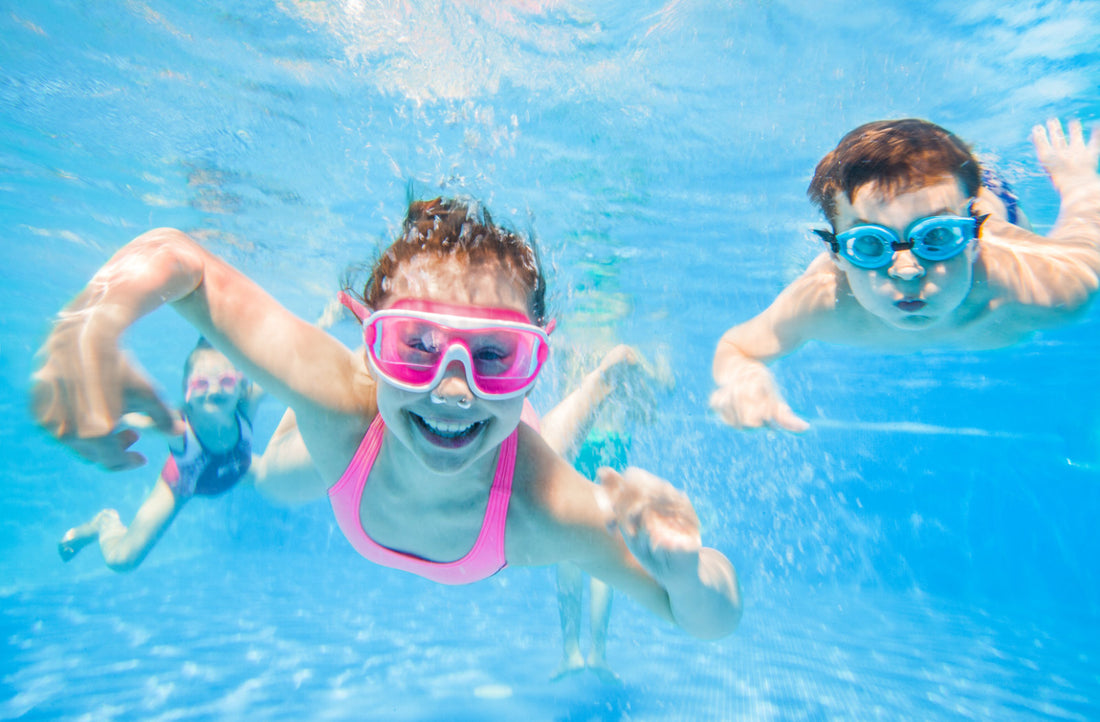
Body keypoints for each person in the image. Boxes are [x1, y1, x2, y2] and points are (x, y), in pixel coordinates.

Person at [32, 197, 742, 640]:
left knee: (536, 453)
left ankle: (599, 376)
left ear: (534, 355)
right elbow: (178, 260)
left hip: (499, 487)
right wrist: (88, 323)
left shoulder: (547, 505)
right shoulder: (341, 399)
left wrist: (685, 569)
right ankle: (416, 351)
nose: (454, 389)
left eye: (496, 353)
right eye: (416, 346)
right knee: (280, 467)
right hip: (347, 452)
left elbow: (711, 621)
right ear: (372, 348)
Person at [710, 118, 1100, 431]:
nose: (908, 270)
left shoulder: (1046, 287)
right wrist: (743, 379)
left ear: (975, 236)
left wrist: (1078, 180)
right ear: (837, 255)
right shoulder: (823, 302)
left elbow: (1086, 246)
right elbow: (737, 348)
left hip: (992, 200)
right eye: (869, 245)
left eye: (938, 236)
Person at [57, 339, 262, 571]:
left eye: (226, 381)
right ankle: (105, 522)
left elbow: (287, 370)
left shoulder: (248, 403)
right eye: (201, 383)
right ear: (186, 392)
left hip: (238, 466)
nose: (213, 390)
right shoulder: (177, 427)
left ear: (242, 384)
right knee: (122, 560)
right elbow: (131, 419)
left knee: (286, 475)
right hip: (184, 482)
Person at [539, 344, 648, 683]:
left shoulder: (571, 350)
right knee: (603, 548)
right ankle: (597, 653)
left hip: (578, 441)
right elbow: (647, 397)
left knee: (568, 551)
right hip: (611, 445)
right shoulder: (625, 352)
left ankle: (571, 652)